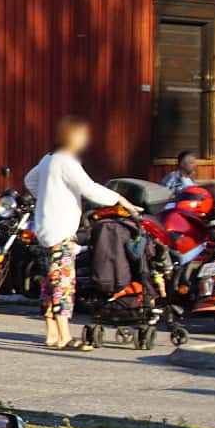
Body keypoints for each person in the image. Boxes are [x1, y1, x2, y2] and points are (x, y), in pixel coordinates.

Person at [24, 115, 139, 351]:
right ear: (72, 137)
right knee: (64, 283)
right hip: (61, 231)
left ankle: (52, 334)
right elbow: (90, 189)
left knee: (49, 282)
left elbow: (29, 180)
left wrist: (47, 196)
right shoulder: (66, 161)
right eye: (82, 136)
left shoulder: (48, 159)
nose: (85, 140)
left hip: (44, 230)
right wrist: (120, 200)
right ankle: (65, 337)